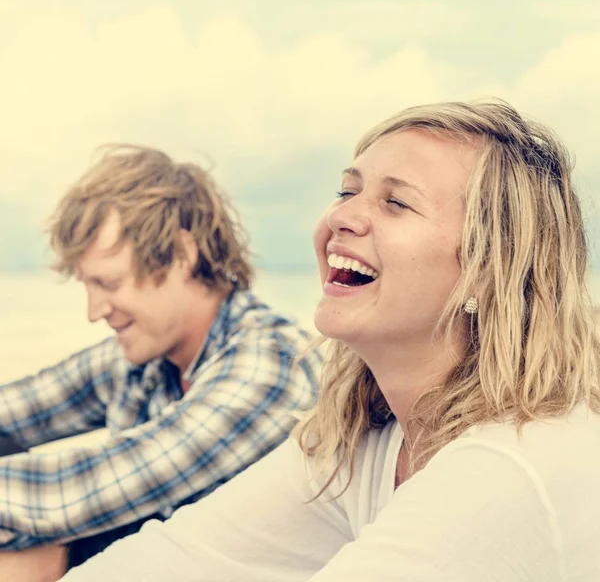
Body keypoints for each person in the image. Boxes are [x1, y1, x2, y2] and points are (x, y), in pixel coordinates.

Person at [61, 100, 600, 581]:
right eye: (347, 191)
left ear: (488, 269)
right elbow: (183, 555)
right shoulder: (367, 439)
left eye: (396, 204)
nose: (341, 216)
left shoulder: (507, 467)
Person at [0, 145, 321, 577]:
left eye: (108, 283)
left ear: (180, 254)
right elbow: (16, 410)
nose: (94, 311)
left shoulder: (270, 365)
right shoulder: (146, 359)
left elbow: (72, 494)